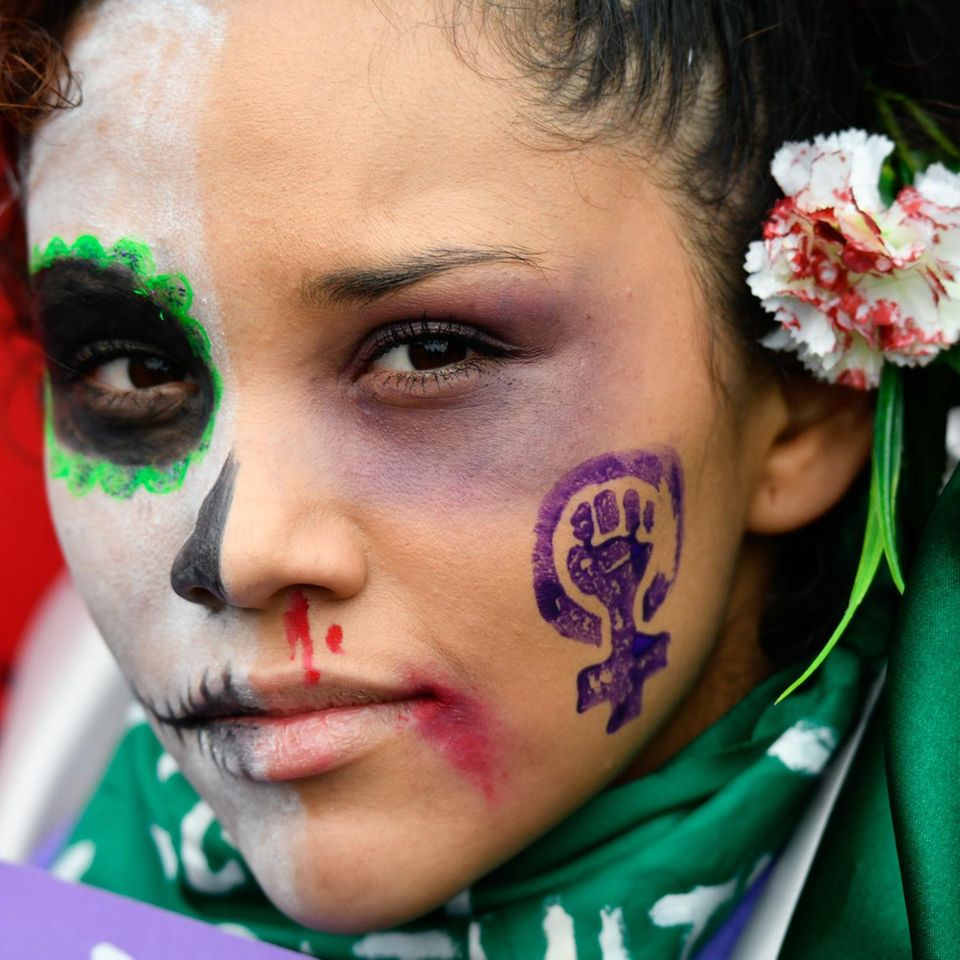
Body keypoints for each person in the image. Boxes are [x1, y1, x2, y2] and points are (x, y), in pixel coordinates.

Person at [1, 1, 958, 957]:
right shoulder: (49, 749)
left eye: (427, 352)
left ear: (806, 399)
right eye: (131, 370)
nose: (239, 553)